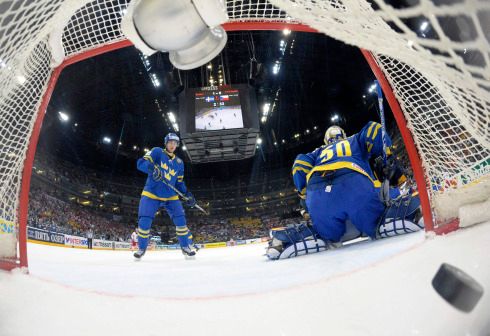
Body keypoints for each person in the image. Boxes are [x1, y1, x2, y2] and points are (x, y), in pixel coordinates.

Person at [266, 122, 423, 260]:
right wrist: (387, 157)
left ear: (326, 141)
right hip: (354, 185)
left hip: (318, 193)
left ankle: (283, 241)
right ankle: (412, 211)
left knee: (325, 234)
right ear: (343, 135)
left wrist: (304, 198)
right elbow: (374, 130)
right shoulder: (353, 140)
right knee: (381, 210)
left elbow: (299, 164)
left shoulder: (316, 153)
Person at [133, 133, 198, 260]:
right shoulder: (157, 152)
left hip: (171, 197)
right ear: (166, 143)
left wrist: (187, 195)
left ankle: (185, 247)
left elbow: (179, 183)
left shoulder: (179, 163)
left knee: (181, 221)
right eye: (170, 142)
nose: (172, 145)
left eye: (175, 143)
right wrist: (152, 168)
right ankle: (141, 248)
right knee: (144, 221)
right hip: (151, 194)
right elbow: (140, 163)